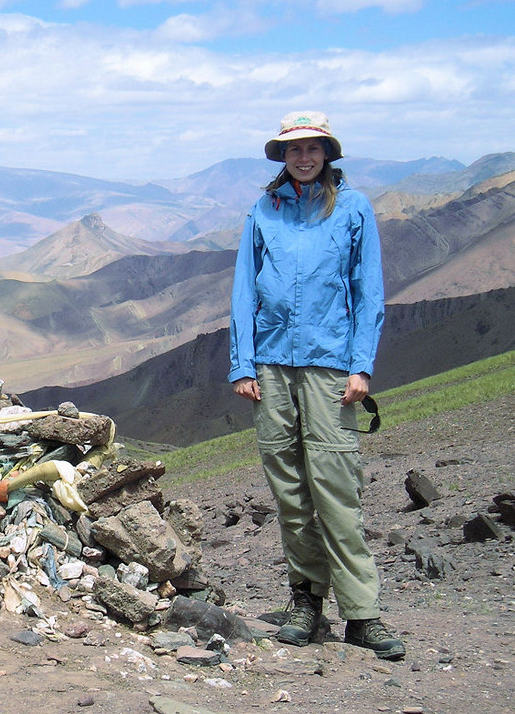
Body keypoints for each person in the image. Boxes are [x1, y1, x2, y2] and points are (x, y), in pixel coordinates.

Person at [228, 110, 405, 660]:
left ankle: (362, 613)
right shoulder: (264, 209)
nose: (303, 157)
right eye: (293, 149)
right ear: (282, 156)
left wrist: (361, 365)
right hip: (273, 366)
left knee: (336, 485)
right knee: (289, 489)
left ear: (328, 152)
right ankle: (305, 600)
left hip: (330, 365)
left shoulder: (352, 207)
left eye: (313, 148)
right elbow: (243, 290)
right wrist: (243, 364)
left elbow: (367, 289)